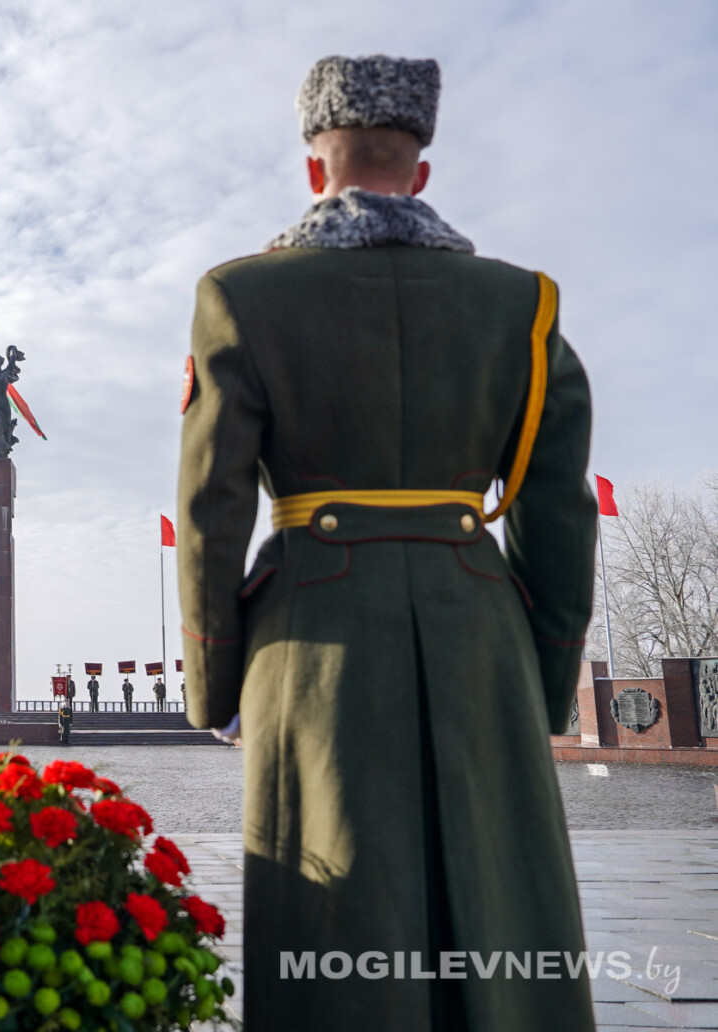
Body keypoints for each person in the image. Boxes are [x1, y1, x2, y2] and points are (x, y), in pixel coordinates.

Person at [177, 56, 596, 1031]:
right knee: (498, 892)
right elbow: (558, 509)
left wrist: (215, 683)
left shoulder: (242, 295)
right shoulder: (522, 306)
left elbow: (210, 506)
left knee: (333, 888)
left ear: (315, 169)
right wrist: (539, 681)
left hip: (310, 628)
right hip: (477, 625)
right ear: (421, 173)